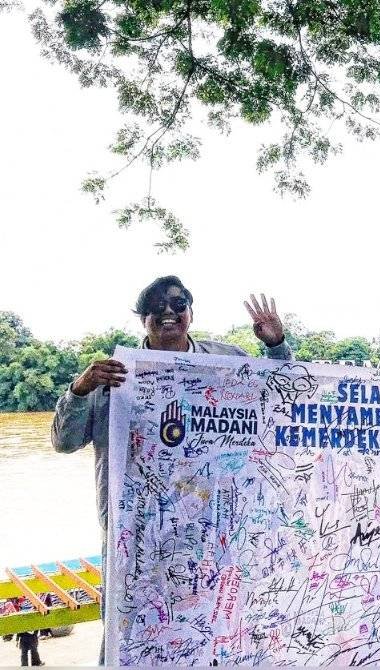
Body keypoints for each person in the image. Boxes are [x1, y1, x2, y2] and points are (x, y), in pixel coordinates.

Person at [50, 276, 292, 663]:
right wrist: (79, 390)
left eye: (178, 305)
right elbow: (64, 442)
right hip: (136, 537)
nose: (167, 312)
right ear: (142, 318)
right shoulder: (113, 374)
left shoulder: (225, 362)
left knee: (216, 631)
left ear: (191, 314)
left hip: (214, 533)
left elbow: (281, 397)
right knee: (128, 632)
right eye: (156, 306)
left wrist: (276, 347)